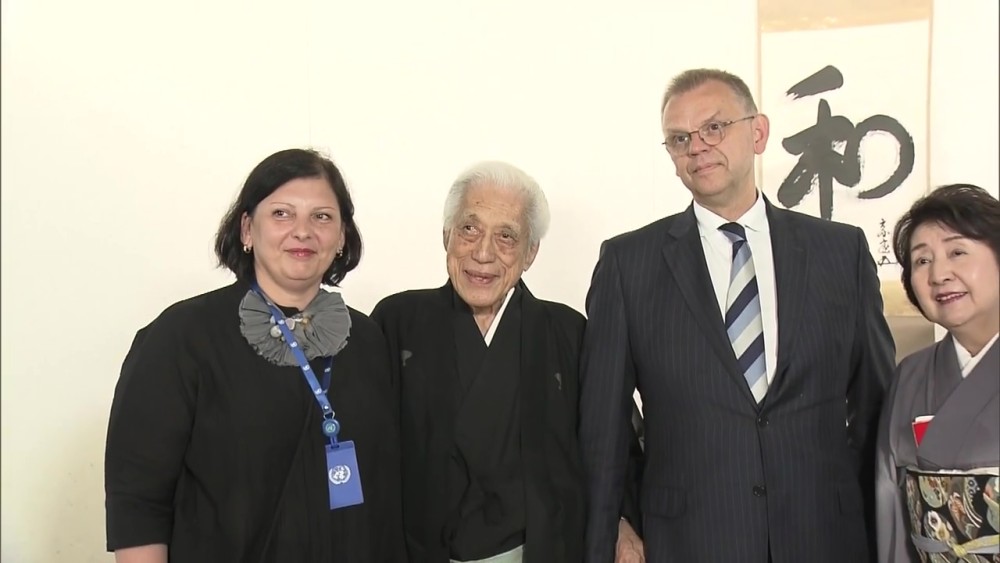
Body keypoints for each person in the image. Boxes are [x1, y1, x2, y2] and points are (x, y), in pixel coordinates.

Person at [577, 68, 896, 563]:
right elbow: (604, 426)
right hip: (689, 541)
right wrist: (614, 527)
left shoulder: (840, 253)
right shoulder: (628, 264)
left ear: (758, 132)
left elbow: (876, 409)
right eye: (679, 139)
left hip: (824, 536)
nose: (697, 147)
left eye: (714, 128)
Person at [104, 148, 405, 562]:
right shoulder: (182, 337)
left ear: (341, 237)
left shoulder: (368, 340)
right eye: (282, 214)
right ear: (247, 229)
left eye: (322, 217)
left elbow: (385, 494)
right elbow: (138, 500)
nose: (303, 232)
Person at [370, 161, 643, 563]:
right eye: (469, 229)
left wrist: (622, 520)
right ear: (446, 235)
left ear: (530, 253)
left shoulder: (568, 333)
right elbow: (369, 449)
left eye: (506, 237)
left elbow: (613, 442)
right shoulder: (397, 322)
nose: (483, 253)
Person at [876, 184, 1000, 562]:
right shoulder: (910, 376)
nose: (938, 274)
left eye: (957, 252)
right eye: (922, 260)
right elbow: (890, 505)